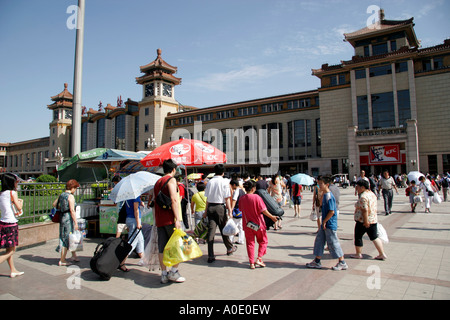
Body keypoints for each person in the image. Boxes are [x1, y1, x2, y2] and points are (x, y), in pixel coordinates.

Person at [306, 175, 347, 271]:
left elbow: (332, 211)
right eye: (318, 183)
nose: (319, 185)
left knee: (333, 242)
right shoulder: (325, 195)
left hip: (329, 224)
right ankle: (317, 261)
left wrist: (324, 221)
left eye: (321, 184)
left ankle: (342, 262)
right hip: (325, 224)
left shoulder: (329, 196)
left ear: (327, 184)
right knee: (319, 240)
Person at [153, 159, 185, 283]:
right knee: (178, 246)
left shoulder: (157, 182)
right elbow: (174, 199)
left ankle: (164, 274)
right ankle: (174, 272)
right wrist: (177, 219)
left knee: (162, 247)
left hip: (159, 220)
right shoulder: (171, 180)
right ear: (173, 170)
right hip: (170, 219)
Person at [239, 180, 278, 269]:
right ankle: (259, 258)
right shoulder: (256, 197)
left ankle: (251, 263)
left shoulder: (242, 198)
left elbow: (241, 209)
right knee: (263, 241)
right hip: (258, 224)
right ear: (253, 188)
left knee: (250, 243)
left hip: (247, 224)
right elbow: (263, 210)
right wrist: (272, 217)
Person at [204, 164, 236, 263]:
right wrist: (230, 210)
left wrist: (205, 211)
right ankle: (229, 248)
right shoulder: (224, 182)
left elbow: (207, 199)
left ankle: (210, 255)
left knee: (211, 232)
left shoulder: (209, 182)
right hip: (220, 208)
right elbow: (227, 198)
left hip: (210, 208)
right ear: (223, 172)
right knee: (224, 229)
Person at [351, 179, 387, 260]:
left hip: (363, 220)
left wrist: (366, 221)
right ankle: (382, 253)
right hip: (373, 219)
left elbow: (365, 210)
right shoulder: (372, 194)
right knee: (374, 237)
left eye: (358, 187)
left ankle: (358, 253)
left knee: (358, 236)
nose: (357, 189)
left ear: (363, 187)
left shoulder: (363, 196)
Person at [0, 173, 24, 278]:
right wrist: (21, 202)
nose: (16, 183)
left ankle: (13, 270)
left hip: (2, 223)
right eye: (15, 181)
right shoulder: (12, 193)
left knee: (8, 249)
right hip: (11, 223)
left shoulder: (1, 193)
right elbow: (19, 208)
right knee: (12, 250)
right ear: (11, 183)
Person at [53, 179, 80, 266]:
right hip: (68, 218)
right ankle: (62, 259)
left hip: (62, 217)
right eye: (75, 188)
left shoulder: (62, 195)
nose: (75, 190)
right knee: (66, 238)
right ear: (73, 187)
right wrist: (76, 222)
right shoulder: (70, 196)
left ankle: (74, 255)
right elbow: (72, 210)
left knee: (68, 236)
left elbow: (54, 204)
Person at [119, 193, 146, 271]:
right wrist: (138, 223)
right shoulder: (135, 196)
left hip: (129, 219)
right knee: (132, 242)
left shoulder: (128, 195)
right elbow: (136, 210)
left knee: (140, 240)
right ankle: (122, 262)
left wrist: (140, 202)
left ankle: (143, 259)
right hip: (134, 220)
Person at [230, 179, 245, 245]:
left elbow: (234, 200)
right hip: (242, 210)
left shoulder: (236, 191)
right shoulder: (242, 190)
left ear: (234, 185)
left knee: (233, 225)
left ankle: (230, 239)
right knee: (241, 227)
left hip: (237, 210)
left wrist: (231, 209)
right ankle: (241, 240)